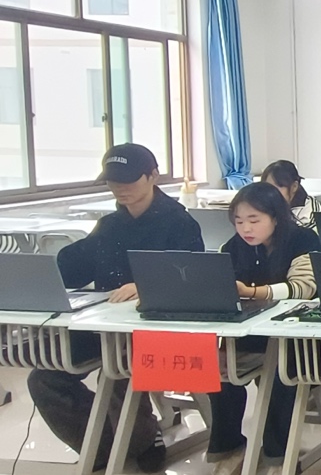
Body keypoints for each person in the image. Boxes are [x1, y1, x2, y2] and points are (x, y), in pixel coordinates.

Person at [28, 144, 203, 473]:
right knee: (44, 378)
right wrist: (42, 274)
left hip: (157, 331)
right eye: (113, 181)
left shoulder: (180, 223)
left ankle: (139, 442)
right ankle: (103, 445)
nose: (120, 188)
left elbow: (194, 278)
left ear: (152, 176)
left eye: (128, 179)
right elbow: (74, 270)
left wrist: (147, 285)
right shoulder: (109, 226)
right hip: (104, 328)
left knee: (119, 370)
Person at [206, 183, 321, 471]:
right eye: (239, 221)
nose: (245, 228)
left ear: (276, 217)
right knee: (216, 369)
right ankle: (229, 447)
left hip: (296, 340)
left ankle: (277, 456)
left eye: (254, 220)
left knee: (281, 378)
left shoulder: (303, 240)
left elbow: (303, 288)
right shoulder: (232, 247)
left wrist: (253, 292)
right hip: (246, 337)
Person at [261, 160, 320, 229]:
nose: (273, 191)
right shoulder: (259, 205)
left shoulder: (308, 206)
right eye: (269, 186)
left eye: (280, 186)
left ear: (294, 186)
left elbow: (305, 233)